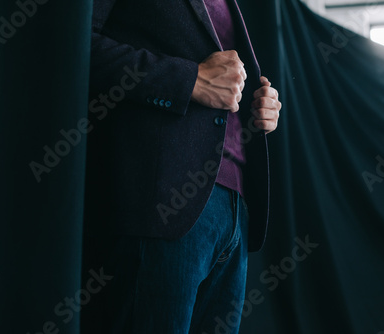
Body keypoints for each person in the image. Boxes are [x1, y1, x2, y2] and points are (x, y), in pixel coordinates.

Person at [81, 0, 281, 333]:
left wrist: (259, 106)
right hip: (162, 201)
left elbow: (225, 85)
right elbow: (75, 44)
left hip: (234, 212)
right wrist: (189, 81)